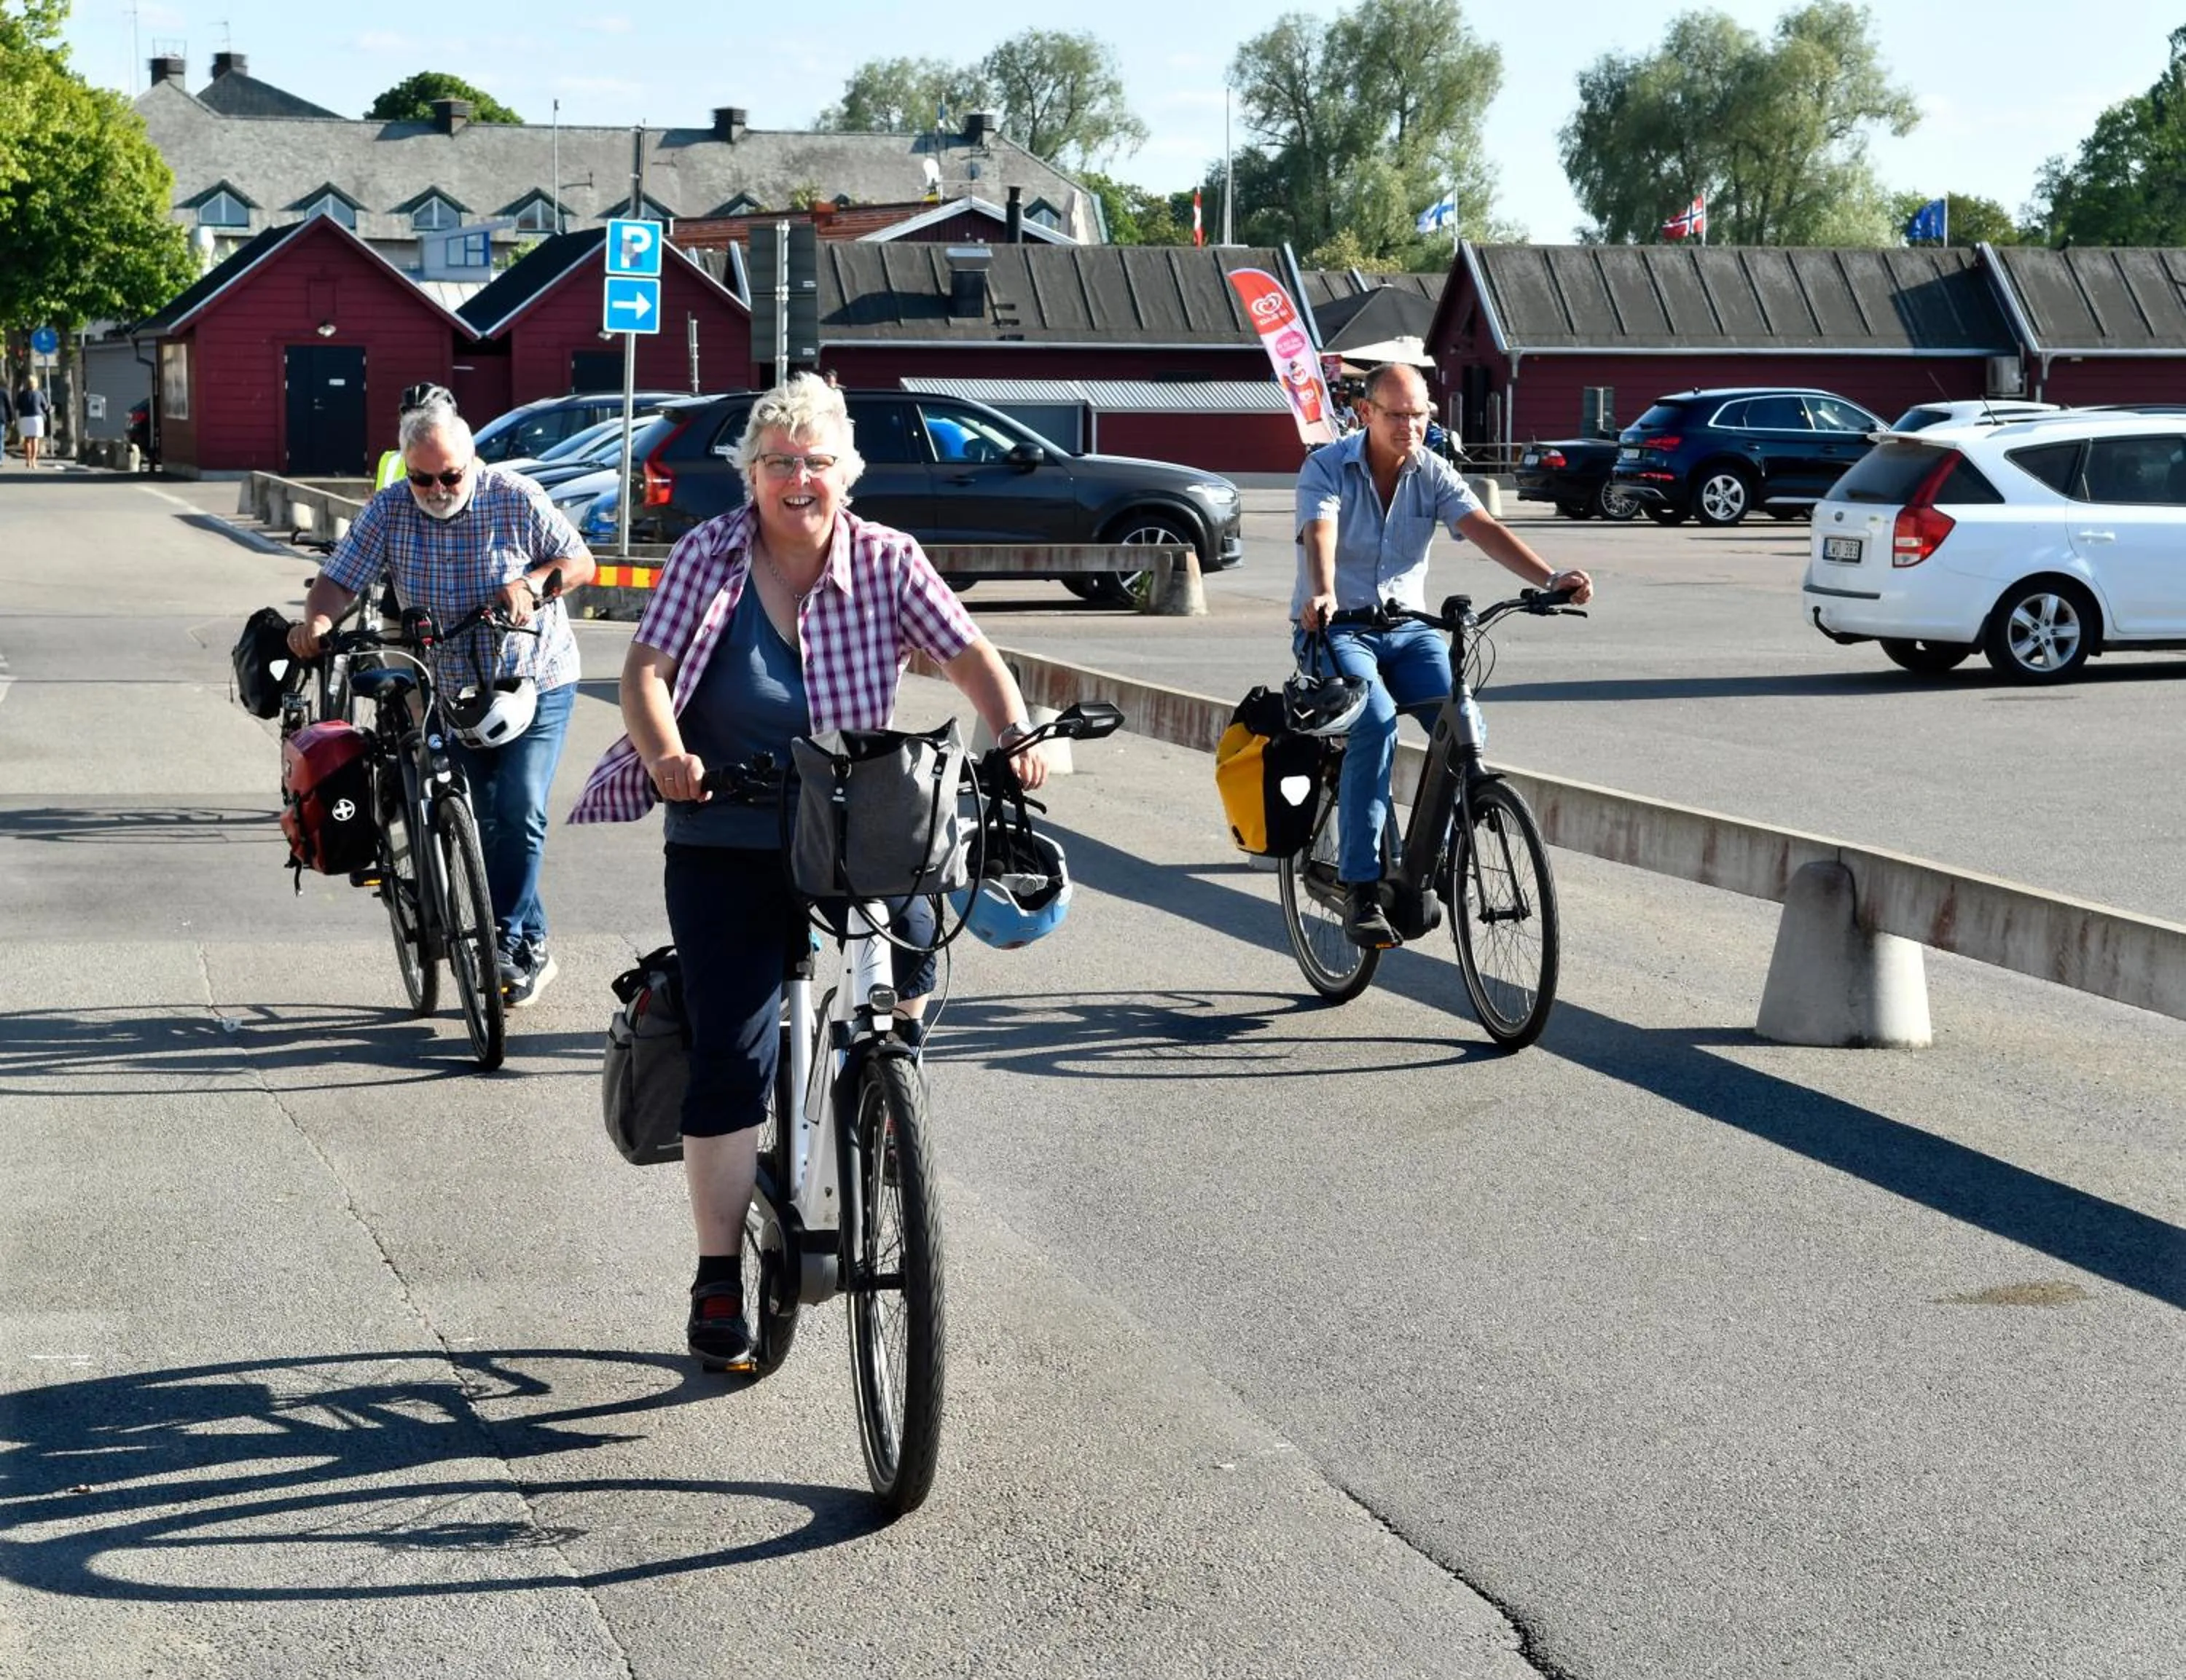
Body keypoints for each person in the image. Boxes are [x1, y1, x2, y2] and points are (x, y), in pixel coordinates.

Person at [570, 372, 1054, 1366]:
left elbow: (969, 655)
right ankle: (716, 1275)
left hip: (856, 818)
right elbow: (646, 671)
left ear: (848, 472)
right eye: (780, 463)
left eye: (818, 463)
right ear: (751, 475)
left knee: (916, 952)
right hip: (728, 820)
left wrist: (1014, 731)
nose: (800, 480)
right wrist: (666, 752)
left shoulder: (887, 558)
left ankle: (882, 1094)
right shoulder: (711, 553)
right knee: (733, 1054)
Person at [286, 396, 597, 1005]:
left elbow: (580, 561)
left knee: (521, 809)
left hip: (534, 676)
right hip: (447, 682)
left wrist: (530, 584)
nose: (436, 488)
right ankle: (530, 939)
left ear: (471, 462)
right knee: (483, 823)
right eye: (421, 476)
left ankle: (506, 943)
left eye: (449, 475)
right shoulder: (391, 508)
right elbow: (339, 579)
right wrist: (319, 621)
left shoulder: (514, 496)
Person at [1295, 362, 1595, 948]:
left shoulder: (1432, 471)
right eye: (1397, 414)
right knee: (1375, 722)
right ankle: (1360, 887)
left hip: (1408, 631)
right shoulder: (1326, 466)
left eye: (1420, 414)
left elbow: (1482, 526)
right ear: (1367, 413)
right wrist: (1323, 590)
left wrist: (1551, 576)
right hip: (1338, 629)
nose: (1410, 425)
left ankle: (1433, 860)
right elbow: (1320, 530)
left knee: (1464, 724)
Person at [15, 375, 51, 470]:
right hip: (37, 418)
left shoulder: (22, 394)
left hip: (25, 417)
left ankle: (28, 460)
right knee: (35, 440)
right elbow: (45, 406)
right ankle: (34, 460)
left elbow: (18, 406)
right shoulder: (39, 394)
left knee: (27, 440)